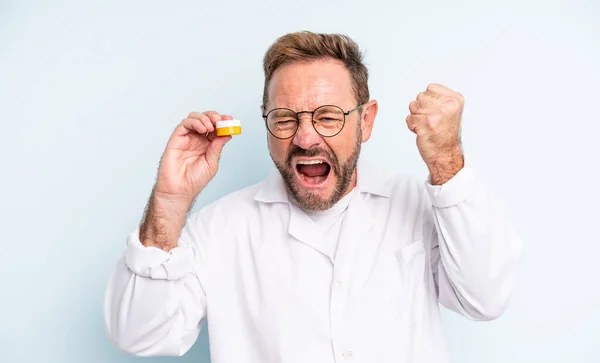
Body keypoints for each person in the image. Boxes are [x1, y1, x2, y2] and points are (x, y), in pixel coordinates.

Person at [104, 31, 522, 363]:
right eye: (285, 118)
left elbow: (484, 298)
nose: (305, 138)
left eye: (327, 116)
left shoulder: (417, 205)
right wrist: (170, 201)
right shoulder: (220, 228)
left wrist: (447, 161)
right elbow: (141, 334)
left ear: (367, 120)